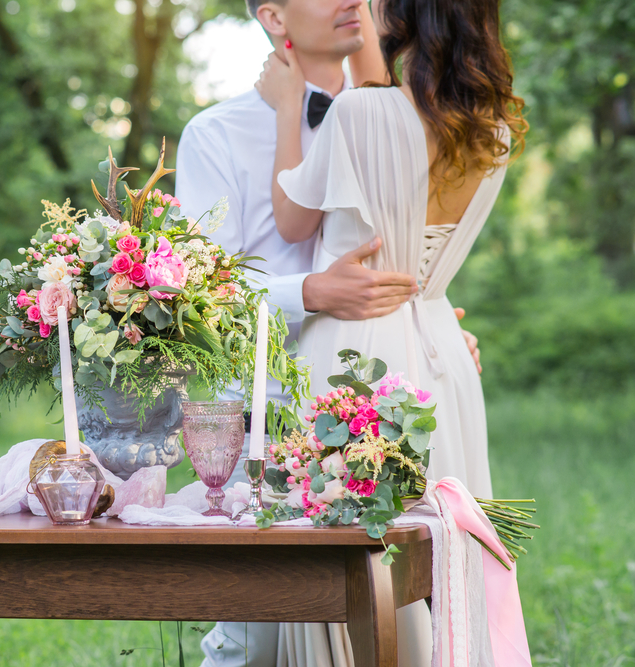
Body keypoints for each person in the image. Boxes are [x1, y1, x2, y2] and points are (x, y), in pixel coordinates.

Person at [175, 0, 491, 665]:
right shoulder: (215, 134)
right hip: (270, 406)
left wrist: (430, 314)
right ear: (274, 18)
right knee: (255, 632)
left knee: (420, 598)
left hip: (398, 387)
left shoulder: (403, 112)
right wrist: (309, 292)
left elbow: (398, 241)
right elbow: (202, 298)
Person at [253, 0, 528, 662]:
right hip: (440, 352)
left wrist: (291, 104)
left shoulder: (361, 114)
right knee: (438, 555)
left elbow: (292, 221)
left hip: (357, 352)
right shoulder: (494, 131)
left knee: (351, 551)